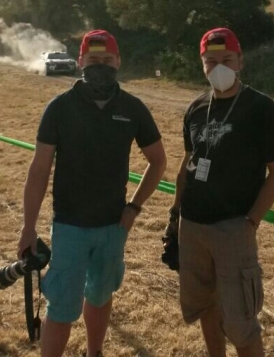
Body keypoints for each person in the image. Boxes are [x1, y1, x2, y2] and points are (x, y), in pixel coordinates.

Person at [16, 30, 167, 357]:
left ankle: (94, 352)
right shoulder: (60, 108)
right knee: (61, 306)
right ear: (81, 61)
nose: (101, 66)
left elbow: (158, 161)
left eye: (107, 60)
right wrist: (28, 227)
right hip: (69, 227)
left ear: (118, 62)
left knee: (100, 295)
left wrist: (134, 207)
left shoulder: (133, 108)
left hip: (113, 228)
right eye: (94, 60)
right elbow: (39, 170)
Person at [166, 27, 274, 357]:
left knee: (241, 321)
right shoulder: (196, 108)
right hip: (193, 226)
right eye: (211, 61)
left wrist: (251, 222)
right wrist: (175, 215)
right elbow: (188, 163)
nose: (218, 67)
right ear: (202, 65)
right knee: (205, 306)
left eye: (226, 59)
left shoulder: (261, 109)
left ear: (240, 61)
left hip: (233, 227)